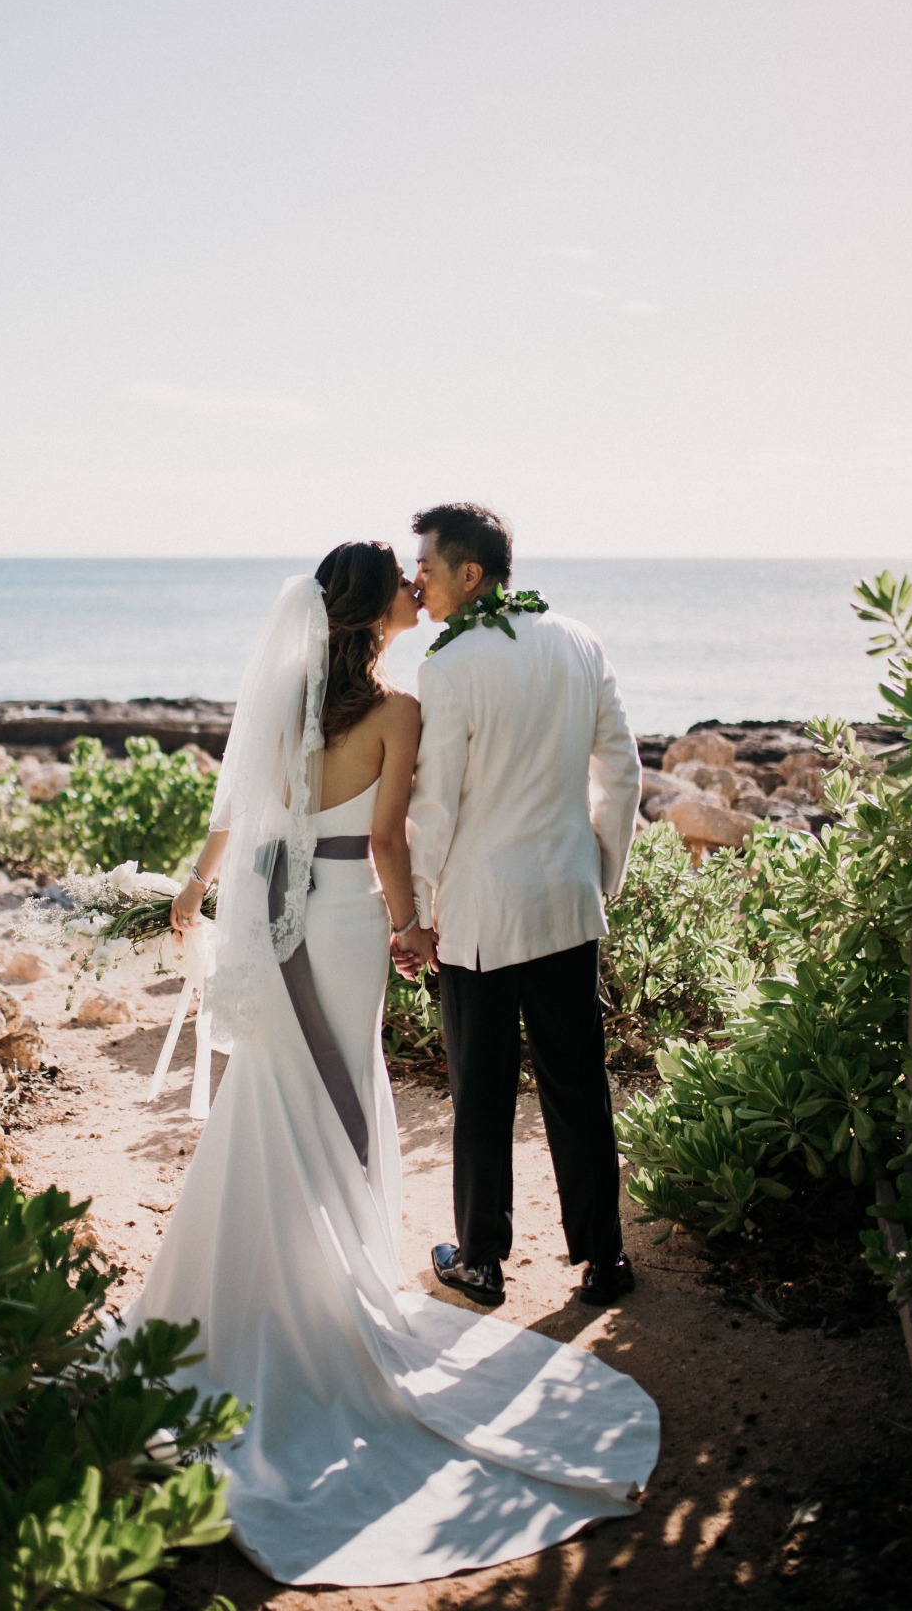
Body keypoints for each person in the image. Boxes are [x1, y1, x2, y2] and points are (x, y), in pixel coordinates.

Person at [117, 540, 658, 1587]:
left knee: (273, 1090)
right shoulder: (399, 709)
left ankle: (249, 1292)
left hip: (267, 917)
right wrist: (412, 927)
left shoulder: (282, 699)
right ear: (379, 616)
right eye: (406, 584)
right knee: (350, 1091)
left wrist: (195, 889)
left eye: (429, 573)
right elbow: (386, 842)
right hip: (351, 921)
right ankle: (334, 1285)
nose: (420, 590)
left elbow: (236, 809)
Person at [399, 502, 642, 1311]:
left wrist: (420, 912)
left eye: (428, 569)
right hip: (566, 900)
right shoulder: (580, 641)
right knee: (579, 1083)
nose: (418, 584)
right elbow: (622, 773)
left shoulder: (449, 665)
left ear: (471, 574)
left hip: (482, 911)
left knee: (483, 1089)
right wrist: (598, 874)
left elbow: (434, 807)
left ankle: (481, 1260)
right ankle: (604, 1261)